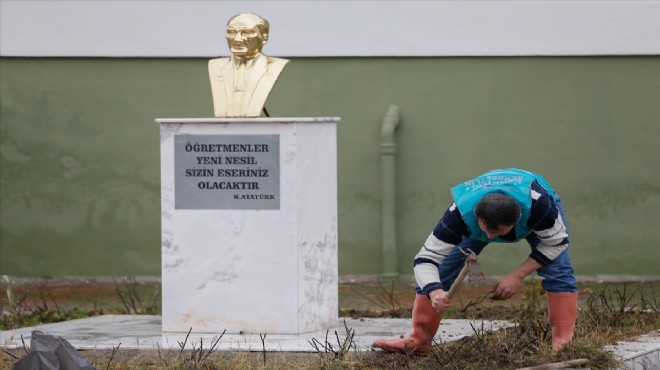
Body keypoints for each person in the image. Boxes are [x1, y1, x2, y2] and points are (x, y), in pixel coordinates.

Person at [373, 168, 578, 353]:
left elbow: (557, 243)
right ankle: (419, 340)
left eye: (499, 233)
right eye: (488, 230)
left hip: (531, 211)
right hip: (475, 222)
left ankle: (563, 342)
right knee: (441, 270)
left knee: (558, 270)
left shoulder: (540, 208)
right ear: (479, 219)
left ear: (517, 220)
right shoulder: (459, 214)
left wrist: (518, 274)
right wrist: (435, 291)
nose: (491, 238)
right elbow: (426, 258)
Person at [208, 13, 289, 117]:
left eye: (246, 33)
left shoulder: (275, 66)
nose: (237, 39)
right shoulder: (215, 66)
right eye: (231, 32)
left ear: (264, 38)